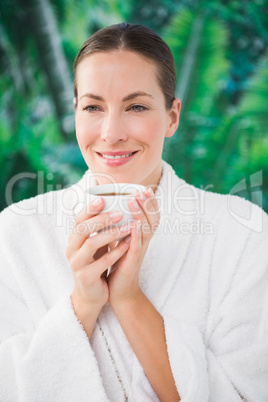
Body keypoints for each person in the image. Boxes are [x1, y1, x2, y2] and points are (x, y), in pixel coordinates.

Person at [0, 23, 267, 402]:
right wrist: (83, 304)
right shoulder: (15, 234)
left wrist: (127, 298)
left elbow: (247, 393)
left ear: (172, 117)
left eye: (136, 106)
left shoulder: (244, 234)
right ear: (75, 112)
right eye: (93, 107)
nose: (111, 132)